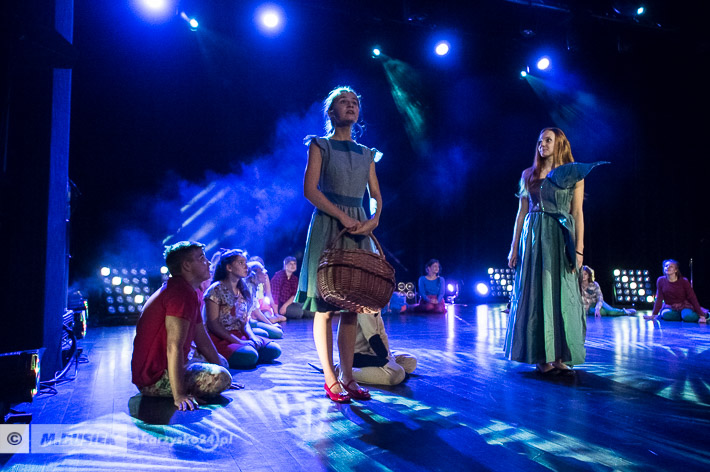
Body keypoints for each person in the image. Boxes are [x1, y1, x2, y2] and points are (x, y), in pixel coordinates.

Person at [295, 86, 383, 403]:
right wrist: (341, 216)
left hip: (358, 228)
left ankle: (348, 377)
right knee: (325, 306)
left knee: (352, 306)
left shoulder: (367, 153)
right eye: (343, 102)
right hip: (329, 225)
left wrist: (374, 219)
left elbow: (375, 196)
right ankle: (330, 377)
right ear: (331, 112)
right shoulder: (320, 145)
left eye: (354, 102)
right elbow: (310, 190)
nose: (350, 105)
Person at [505, 127, 607, 375]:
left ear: (560, 143)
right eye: (540, 141)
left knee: (562, 292)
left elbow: (577, 213)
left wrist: (579, 249)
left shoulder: (573, 175)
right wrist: (513, 247)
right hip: (534, 236)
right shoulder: (528, 174)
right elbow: (521, 213)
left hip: (560, 236)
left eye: (548, 140)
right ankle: (542, 356)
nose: (542, 145)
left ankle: (561, 354)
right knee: (537, 292)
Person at [131, 241, 232, 411]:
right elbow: (173, 346)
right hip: (153, 379)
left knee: (222, 363)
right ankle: (175, 388)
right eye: (201, 258)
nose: (208, 262)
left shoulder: (190, 291)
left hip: (168, 366)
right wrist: (179, 395)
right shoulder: (179, 292)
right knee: (222, 378)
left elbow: (202, 338)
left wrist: (219, 366)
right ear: (186, 265)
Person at [204, 249, 282, 369]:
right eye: (241, 263)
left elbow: (244, 322)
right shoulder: (215, 290)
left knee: (274, 350)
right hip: (220, 337)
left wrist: (252, 337)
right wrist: (239, 342)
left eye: (245, 262)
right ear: (229, 267)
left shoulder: (242, 289)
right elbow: (213, 325)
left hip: (239, 334)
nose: (246, 266)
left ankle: (247, 351)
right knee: (250, 356)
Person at [336, 313, 417, 386]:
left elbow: (381, 336)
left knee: (410, 361)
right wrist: (389, 361)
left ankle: (384, 370)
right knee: (397, 375)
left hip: (373, 353)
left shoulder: (377, 306)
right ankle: (342, 370)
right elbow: (374, 340)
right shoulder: (365, 307)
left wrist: (390, 358)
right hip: (359, 356)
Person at [644, 259, 708, 322]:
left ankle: (706, 315)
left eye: (671, 266)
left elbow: (692, 298)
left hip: (684, 306)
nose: (668, 267)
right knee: (666, 314)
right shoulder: (661, 280)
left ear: (676, 270)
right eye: (666, 266)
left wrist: (701, 315)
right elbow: (659, 298)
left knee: (687, 316)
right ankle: (681, 317)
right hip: (671, 307)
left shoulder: (684, 281)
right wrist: (654, 314)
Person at [245, 261, 284, 339]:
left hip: (250, 321)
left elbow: (257, 311)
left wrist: (271, 325)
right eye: (262, 271)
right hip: (244, 323)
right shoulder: (247, 288)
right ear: (254, 274)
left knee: (277, 332)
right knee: (264, 334)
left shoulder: (255, 287)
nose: (265, 273)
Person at [248, 255, 282, 320]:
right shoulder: (248, 279)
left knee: (269, 318)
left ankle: (273, 318)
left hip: (261, 303)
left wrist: (276, 313)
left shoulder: (264, 277)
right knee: (253, 318)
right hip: (251, 304)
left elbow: (269, 294)